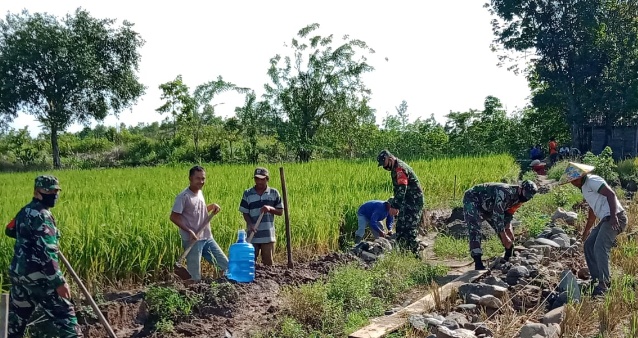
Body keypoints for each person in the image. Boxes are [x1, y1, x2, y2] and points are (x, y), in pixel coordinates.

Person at [5, 175, 83, 337]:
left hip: (20, 276)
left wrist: (27, 238)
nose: (53, 194)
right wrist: (59, 282)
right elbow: (47, 252)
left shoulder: (25, 211)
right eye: (48, 190)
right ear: (37, 192)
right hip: (40, 278)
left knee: (13, 326)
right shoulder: (43, 215)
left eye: (56, 190)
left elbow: (9, 229)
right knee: (66, 322)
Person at [559, 162, 627, 296]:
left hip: (616, 217)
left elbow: (611, 194)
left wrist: (613, 216)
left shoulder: (592, 181)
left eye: (573, 180)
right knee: (589, 245)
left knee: (600, 247)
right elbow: (592, 212)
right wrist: (586, 232)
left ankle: (603, 284)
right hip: (605, 219)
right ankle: (597, 278)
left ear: (579, 177)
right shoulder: (585, 188)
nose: (572, 183)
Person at [462, 180, 538, 270]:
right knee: (475, 229)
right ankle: (478, 262)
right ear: (520, 189)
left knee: (505, 231)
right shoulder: (504, 192)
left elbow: (509, 214)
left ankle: (508, 255)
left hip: (489, 205)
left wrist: (509, 231)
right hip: (473, 199)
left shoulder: (521, 198)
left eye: (529, 196)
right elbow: (497, 215)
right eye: (526, 194)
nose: (527, 198)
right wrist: (504, 236)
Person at [170, 165, 227, 282]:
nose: (201, 181)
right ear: (190, 178)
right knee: (194, 276)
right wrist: (189, 231)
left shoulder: (199, 192)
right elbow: (174, 217)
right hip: (193, 240)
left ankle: (217, 289)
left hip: (207, 237)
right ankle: (192, 295)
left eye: (203, 178)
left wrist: (212, 207)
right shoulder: (183, 196)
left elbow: (197, 211)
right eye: (198, 178)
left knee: (225, 265)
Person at [377, 150, 425, 254]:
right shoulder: (394, 168)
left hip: (414, 202)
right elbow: (398, 190)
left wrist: (395, 206)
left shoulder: (400, 169)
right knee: (400, 228)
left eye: (384, 164)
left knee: (410, 229)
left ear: (390, 159)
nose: (384, 168)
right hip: (406, 201)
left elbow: (402, 188)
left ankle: (416, 255)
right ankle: (404, 253)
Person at [239, 167, 284, 266]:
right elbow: (245, 212)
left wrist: (270, 208)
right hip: (252, 235)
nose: (259, 181)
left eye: (262, 179)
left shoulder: (274, 193)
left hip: (268, 236)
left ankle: (268, 281)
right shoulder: (248, 193)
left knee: (268, 264)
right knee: (249, 263)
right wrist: (250, 224)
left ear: (267, 179)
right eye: (257, 179)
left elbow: (280, 212)